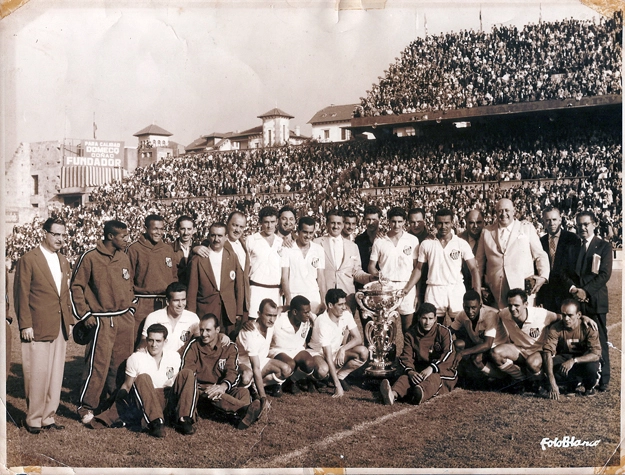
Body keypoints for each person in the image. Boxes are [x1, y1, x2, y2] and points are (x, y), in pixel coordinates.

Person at [71, 220, 136, 425]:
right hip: (101, 319)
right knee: (98, 365)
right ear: (110, 237)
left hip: (124, 318)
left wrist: (131, 307)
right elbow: (75, 288)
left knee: (120, 364)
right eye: (123, 236)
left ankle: (110, 405)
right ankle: (86, 407)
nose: (127, 239)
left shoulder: (124, 257)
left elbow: (129, 285)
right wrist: (85, 315)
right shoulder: (89, 257)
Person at [14, 217, 73, 433]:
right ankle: (33, 419)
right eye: (55, 234)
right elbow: (21, 294)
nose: (59, 239)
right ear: (45, 233)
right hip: (37, 324)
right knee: (37, 372)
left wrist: (70, 321)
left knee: (56, 373)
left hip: (60, 325)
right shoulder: (28, 259)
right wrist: (25, 325)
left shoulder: (64, 260)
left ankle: (48, 417)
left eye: (63, 235)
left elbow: (64, 295)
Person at [90, 324, 196, 437]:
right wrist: (113, 405)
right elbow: (127, 386)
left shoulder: (174, 356)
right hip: (147, 400)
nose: (154, 345)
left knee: (187, 373)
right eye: (151, 340)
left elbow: (178, 384)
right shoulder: (136, 358)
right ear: (146, 340)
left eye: (158, 341)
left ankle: (184, 420)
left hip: (167, 397)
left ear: (165, 341)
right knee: (143, 377)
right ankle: (155, 423)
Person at [491, 288, 597, 390]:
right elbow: (491, 313)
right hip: (519, 349)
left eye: (516, 305)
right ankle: (521, 379)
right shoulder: (504, 313)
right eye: (510, 305)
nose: (513, 309)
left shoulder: (541, 314)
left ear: (526, 304)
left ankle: (542, 383)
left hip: (540, 351)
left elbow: (563, 317)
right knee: (496, 353)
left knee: (532, 363)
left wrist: (583, 318)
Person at [180, 314, 263, 430]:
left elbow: (232, 372)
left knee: (243, 391)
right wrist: (205, 387)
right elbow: (188, 370)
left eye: (208, 330)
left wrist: (223, 386)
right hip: (201, 390)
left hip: (220, 386)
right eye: (201, 330)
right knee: (215, 394)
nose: (203, 334)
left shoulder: (229, 347)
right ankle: (245, 410)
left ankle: (241, 417)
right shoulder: (193, 346)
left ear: (217, 330)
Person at [403, 208, 481, 326]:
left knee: (462, 329)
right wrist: (407, 289)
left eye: (446, 223)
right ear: (434, 223)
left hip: (456, 289)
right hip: (434, 290)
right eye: (440, 223)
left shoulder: (461, 243)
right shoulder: (427, 243)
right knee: (434, 329)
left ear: (452, 223)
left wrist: (477, 293)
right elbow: (418, 269)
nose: (443, 226)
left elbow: (474, 269)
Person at [564, 210, 613, 392]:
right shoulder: (572, 247)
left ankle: (604, 379)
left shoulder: (604, 246)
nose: (582, 228)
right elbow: (565, 273)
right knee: (577, 340)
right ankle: (581, 378)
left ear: (594, 224)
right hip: (576, 301)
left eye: (586, 224)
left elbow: (604, 275)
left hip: (595, 301)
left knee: (599, 339)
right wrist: (574, 290)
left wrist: (586, 291)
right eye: (579, 224)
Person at [475, 198, 549, 309]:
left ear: (513, 211)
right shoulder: (487, 232)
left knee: (524, 324)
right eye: (500, 211)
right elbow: (479, 262)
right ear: (495, 213)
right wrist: (478, 286)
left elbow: (540, 255)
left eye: (506, 210)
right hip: (496, 291)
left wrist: (543, 277)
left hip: (522, 287)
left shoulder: (526, 228)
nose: (503, 214)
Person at [380, 303, 457, 406]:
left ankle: (419, 392)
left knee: (433, 379)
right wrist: (411, 371)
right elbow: (406, 356)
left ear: (435, 319)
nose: (427, 322)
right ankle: (392, 395)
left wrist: (432, 368)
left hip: (441, 371)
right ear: (419, 318)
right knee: (405, 378)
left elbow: (449, 353)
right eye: (424, 318)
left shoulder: (444, 332)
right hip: (421, 370)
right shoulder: (411, 334)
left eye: (430, 318)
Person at [187, 222, 243, 338]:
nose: (216, 239)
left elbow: (238, 286)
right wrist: (191, 315)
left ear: (226, 237)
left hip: (227, 312)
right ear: (208, 237)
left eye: (220, 236)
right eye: (213, 235)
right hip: (206, 310)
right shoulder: (198, 259)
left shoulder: (232, 256)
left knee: (227, 344)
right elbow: (192, 290)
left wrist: (238, 311)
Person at [308, 289, 368, 397]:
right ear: (330, 305)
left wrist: (343, 349)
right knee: (323, 370)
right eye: (340, 304)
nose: (344, 307)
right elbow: (327, 356)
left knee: (363, 352)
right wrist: (337, 387)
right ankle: (309, 379)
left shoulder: (346, 314)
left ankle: (339, 376)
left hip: (335, 351)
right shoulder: (322, 322)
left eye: (344, 303)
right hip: (317, 353)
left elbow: (358, 338)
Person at [127, 214, 178, 341]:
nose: (159, 232)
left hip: (164, 303)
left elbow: (174, 276)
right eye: (155, 229)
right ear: (146, 228)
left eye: (161, 229)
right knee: (140, 340)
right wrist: (133, 303)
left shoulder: (167, 249)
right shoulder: (134, 249)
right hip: (142, 303)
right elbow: (128, 279)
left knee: (164, 340)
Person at [369, 207, 419, 333]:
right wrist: (377, 275)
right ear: (388, 221)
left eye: (400, 221)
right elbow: (371, 265)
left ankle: (407, 353)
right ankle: (390, 353)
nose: (396, 225)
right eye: (393, 221)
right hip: (387, 288)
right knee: (388, 329)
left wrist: (415, 291)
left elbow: (417, 268)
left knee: (408, 329)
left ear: (404, 222)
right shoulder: (380, 240)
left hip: (407, 287)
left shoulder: (413, 240)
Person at [314, 210, 373, 315]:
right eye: (332, 223)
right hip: (325, 297)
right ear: (327, 223)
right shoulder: (316, 243)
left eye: (339, 223)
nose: (335, 226)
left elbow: (356, 272)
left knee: (346, 329)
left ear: (342, 225)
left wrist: (370, 278)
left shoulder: (353, 246)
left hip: (347, 297)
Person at [541, 299, 602, 400]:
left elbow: (596, 354)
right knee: (549, 364)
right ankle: (572, 383)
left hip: (584, 359)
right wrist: (552, 382)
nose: (566, 318)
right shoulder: (556, 328)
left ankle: (589, 386)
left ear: (579, 315)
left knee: (591, 368)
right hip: (566, 356)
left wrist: (574, 361)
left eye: (570, 315)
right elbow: (547, 352)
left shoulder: (589, 327)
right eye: (564, 315)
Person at [237, 299, 293, 399]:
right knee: (247, 377)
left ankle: (256, 385)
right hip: (243, 365)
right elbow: (255, 367)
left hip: (261, 362)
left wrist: (310, 315)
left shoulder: (270, 324)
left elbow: (280, 309)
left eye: (274, 316)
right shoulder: (249, 332)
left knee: (286, 369)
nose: (272, 319)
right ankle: (242, 390)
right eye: (268, 315)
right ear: (259, 314)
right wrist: (263, 397)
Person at [450, 290, 508, 384]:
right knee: (458, 343)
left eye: (474, 308)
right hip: (481, 345)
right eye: (467, 307)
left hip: (497, 348)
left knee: (477, 359)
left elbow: (488, 344)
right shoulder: (462, 314)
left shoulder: (490, 314)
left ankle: (502, 378)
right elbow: (449, 331)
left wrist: (462, 353)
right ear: (463, 305)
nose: (470, 311)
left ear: (480, 305)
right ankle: (466, 375)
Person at [268, 295, 321, 394]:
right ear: (295, 312)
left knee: (310, 363)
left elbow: (321, 313)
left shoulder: (307, 318)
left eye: (309, 311)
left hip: (297, 349)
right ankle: (276, 385)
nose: (309, 314)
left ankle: (291, 381)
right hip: (278, 350)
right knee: (289, 364)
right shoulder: (279, 320)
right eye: (306, 312)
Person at [536, 207, 580, 313]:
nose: (551, 223)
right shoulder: (539, 242)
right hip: (547, 293)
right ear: (543, 222)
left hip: (566, 290)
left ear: (560, 220)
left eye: (554, 219)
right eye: (548, 220)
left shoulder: (572, 239)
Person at [281, 216, 327, 315]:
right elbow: (284, 277)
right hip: (294, 295)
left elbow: (321, 277)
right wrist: (288, 298)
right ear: (298, 231)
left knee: (313, 328)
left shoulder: (318, 249)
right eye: (305, 232)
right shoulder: (288, 248)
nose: (308, 236)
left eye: (311, 233)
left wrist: (323, 300)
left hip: (313, 296)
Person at [245, 207, 284, 320]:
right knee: (254, 323)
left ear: (277, 222)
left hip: (275, 291)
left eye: (272, 222)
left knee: (274, 326)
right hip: (256, 289)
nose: (269, 226)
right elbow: (246, 267)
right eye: (266, 222)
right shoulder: (251, 240)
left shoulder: (281, 242)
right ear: (260, 222)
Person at [139, 282, 200, 353]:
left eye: (183, 300)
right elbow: (143, 343)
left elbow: (199, 345)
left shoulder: (193, 318)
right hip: (159, 361)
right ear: (167, 301)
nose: (180, 304)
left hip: (183, 361)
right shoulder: (154, 317)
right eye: (176, 300)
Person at [458, 209, 485, 293]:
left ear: (484, 222)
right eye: (471, 223)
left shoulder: (490, 237)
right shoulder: (458, 240)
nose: (475, 226)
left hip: (486, 288)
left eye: (479, 222)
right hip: (464, 287)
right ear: (466, 222)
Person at [354, 205, 382, 281]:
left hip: (381, 281)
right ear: (364, 220)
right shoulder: (358, 240)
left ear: (379, 220)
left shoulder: (384, 240)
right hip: (363, 281)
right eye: (368, 219)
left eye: (374, 219)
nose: (371, 223)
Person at [171, 215, 198, 287]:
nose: (186, 233)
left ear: (194, 230)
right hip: (176, 291)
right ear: (177, 229)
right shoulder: (169, 249)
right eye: (183, 229)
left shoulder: (199, 248)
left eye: (189, 229)